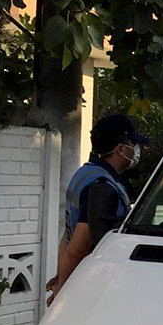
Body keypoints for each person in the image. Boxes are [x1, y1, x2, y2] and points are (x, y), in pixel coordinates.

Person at [45, 114, 146, 306]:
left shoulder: (85, 173)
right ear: (121, 149)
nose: (137, 150)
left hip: (80, 281)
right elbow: (77, 247)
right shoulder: (103, 187)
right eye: (134, 144)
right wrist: (62, 290)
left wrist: (62, 276)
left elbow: (67, 235)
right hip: (93, 285)